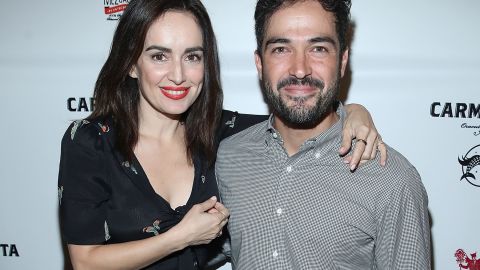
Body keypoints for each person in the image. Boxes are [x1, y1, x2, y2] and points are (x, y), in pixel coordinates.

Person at [58, 0, 386, 269]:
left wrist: (354, 112)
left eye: (192, 57)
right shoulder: (91, 142)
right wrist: (181, 236)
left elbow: (301, 112)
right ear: (131, 64)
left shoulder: (224, 133)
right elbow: (85, 262)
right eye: (159, 56)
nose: (178, 75)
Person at [216, 0, 431, 269]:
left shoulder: (392, 180)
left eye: (318, 48)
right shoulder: (228, 157)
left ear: (342, 61)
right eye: (281, 49)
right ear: (259, 63)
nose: (300, 69)